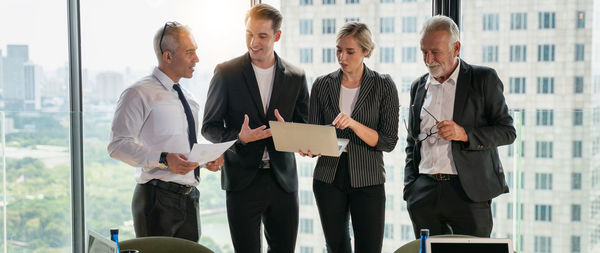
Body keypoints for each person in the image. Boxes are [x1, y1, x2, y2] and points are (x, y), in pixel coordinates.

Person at [201, 4, 309, 253]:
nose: (253, 42)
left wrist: (291, 132)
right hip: (241, 182)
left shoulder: (296, 76)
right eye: (249, 34)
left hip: (283, 182)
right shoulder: (226, 73)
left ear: (277, 36)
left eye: (262, 36)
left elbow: (305, 127)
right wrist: (238, 137)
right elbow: (210, 126)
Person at [107, 22, 223, 242]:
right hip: (156, 200)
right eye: (189, 52)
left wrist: (205, 159)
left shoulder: (189, 98)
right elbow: (117, 145)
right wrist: (163, 159)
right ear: (168, 56)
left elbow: (181, 144)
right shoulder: (138, 93)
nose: (196, 59)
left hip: (190, 199)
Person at [403, 15, 516, 238]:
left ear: (456, 48)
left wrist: (464, 134)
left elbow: (507, 131)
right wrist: (411, 188)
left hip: (468, 193)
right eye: (424, 52)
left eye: (435, 52)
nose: (428, 59)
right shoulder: (418, 86)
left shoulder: (483, 79)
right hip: (424, 193)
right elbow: (411, 142)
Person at [304, 22, 399, 253]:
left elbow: (388, 141)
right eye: (338, 50)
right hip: (328, 176)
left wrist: (354, 124)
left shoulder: (383, 86)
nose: (342, 57)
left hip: (368, 177)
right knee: (336, 247)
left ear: (366, 51)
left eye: (350, 51)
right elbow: (315, 132)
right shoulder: (322, 84)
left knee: (369, 247)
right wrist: (308, 146)